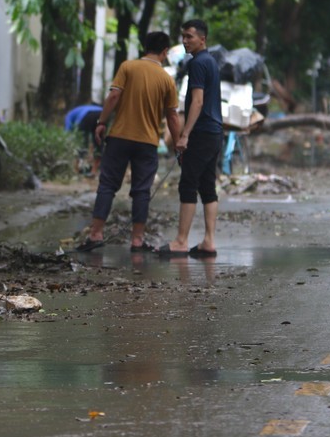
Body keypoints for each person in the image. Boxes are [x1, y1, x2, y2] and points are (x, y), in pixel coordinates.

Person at [77, 32, 181, 252]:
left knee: (107, 186)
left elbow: (114, 96)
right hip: (147, 142)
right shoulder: (166, 79)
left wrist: (102, 122)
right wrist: (179, 143)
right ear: (164, 52)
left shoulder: (127, 67)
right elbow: (172, 116)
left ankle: (95, 234)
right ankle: (137, 240)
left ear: (145, 47)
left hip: (119, 137)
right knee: (141, 191)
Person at [161, 19, 223, 258]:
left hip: (201, 133)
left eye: (189, 37)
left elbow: (197, 101)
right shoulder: (211, 62)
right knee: (207, 186)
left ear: (203, 39)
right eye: (183, 36)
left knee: (188, 184)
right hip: (215, 132)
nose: (185, 41)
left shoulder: (198, 63)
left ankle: (181, 241)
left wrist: (184, 134)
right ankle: (209, 241)